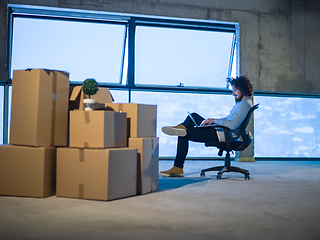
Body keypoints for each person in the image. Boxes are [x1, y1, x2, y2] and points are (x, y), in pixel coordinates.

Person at [160, 75, 254, 177]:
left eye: (235, 90)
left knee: (183, 134)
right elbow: (228, 119)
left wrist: (214, 121)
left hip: (223, 134)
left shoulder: (245, 104)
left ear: (242, 88)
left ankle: (178, 168)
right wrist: (211, 121)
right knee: (193, 116)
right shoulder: (243, 103)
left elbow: (232, 125)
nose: (233, 93)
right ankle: (180, 127)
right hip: (221, 131)